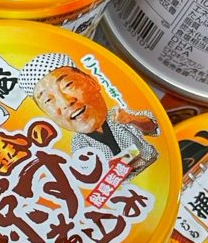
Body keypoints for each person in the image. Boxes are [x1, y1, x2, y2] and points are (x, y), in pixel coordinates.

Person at [18, 52, 160, 176]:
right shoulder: (79, 144)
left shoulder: (119, 114)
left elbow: (153, 126)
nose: (66, 102)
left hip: (156, 164)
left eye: (68, 85)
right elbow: (93, 176)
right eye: (48, 100)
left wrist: (132, 119)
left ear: (92, 82)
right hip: (125, 187)